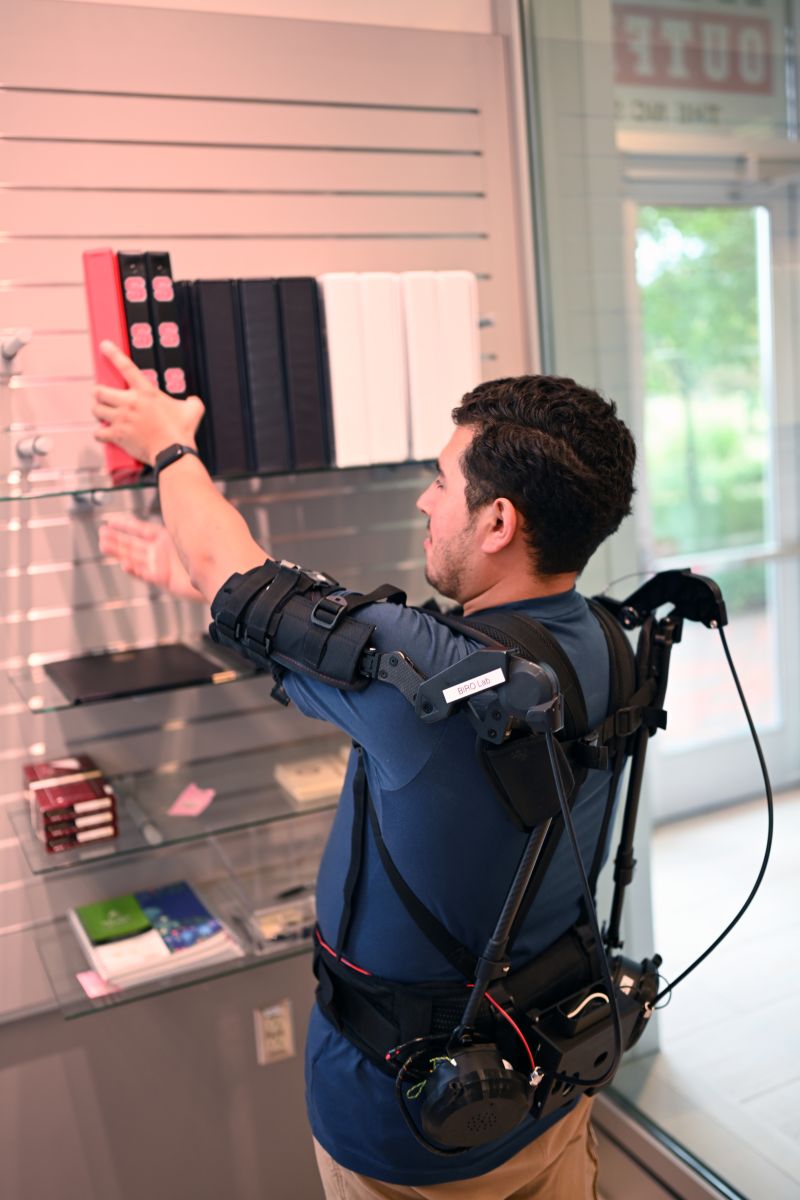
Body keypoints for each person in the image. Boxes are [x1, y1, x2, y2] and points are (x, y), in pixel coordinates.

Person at [93, 341, 636, 1200]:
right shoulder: (607, 639)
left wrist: (170, 447)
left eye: (442, 481)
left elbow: (235, 579)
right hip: (552, 1084)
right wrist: (188, 573)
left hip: (410, 1136)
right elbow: (281, 624)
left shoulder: (440, 678)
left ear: (497, 523)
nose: (425, 500)